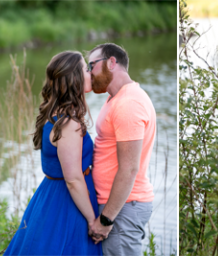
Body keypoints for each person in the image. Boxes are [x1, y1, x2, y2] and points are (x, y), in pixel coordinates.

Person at [3, 51, 102, 256]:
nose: (90, 72)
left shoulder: (56, 116)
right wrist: (93, 221)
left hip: (51, 196)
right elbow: (73, 179)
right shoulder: (68, 124)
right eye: (85, 68)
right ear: (74, 78)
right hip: (66, 204)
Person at [86, 43, 157, 255]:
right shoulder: (116, 98)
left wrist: (107, 219)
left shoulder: (129, 104)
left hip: (122, 209)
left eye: (92, 65)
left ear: (111, 62)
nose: (89, 73)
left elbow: (129, 169)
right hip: (118, 206)